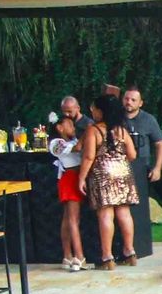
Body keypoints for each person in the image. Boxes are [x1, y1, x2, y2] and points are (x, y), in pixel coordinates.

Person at [78, 94, 137, 270]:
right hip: (123, 172)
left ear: (101, 111)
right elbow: (132, 154)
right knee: (124, 212)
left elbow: (89, 157)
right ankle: (130, 251)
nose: (93, 112)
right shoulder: (121, 130)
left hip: (103, 172)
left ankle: (107, 256)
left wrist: (81, 178)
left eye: (94, 109)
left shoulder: (94, 130)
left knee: (105, 214)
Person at [48, 117, 86, 272]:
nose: (73, 128)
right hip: (69, 178)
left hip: (77, 176)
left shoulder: (74, 139)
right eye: (69, 125)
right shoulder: (56, 143)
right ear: (59, 127)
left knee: (68, 218)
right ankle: (79, 255)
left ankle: (67, 255)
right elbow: (76, 148)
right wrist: (88, 132)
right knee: (73, 219)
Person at [122, 87, 162, 184]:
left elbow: (160, 144)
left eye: (133, 100)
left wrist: (157, 168)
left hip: (142, 168)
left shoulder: (149, 120)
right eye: (126, 99)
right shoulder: (115, 118)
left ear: (140, 103)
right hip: (120, 167)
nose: (129, 102)